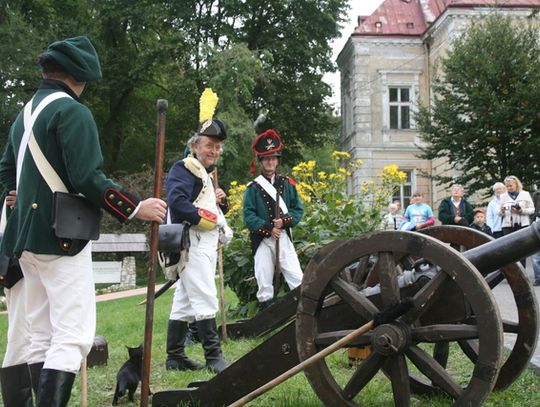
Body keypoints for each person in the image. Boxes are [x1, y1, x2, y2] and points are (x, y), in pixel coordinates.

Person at [0, 36, 167, 407]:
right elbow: (88, 178)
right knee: (73, 337)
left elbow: (6, 170)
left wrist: (14, 195)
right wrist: (138, 207)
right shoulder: (73, 113)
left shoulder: (24, 114)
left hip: (23, 240)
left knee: (41, 336)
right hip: (60, 237)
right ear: (81, 74)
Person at [164, 89, 230, 374]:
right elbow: (177, 203)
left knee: (183, 303)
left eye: (217, 147)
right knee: (205, 297)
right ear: (195, 146)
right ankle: (213, 357)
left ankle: (175, 357)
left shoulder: (202, 172)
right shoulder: (185, 167)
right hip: (192, 243)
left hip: (201, 243)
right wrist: (209, 221)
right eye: (208, 146)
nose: (213, 151)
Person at [243, 129, 303, 309]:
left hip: (283, 237)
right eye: (266, 158)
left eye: (273, 158)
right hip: (262, 239)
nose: (270, 162)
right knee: (263, 277)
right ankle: (266, 313)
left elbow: (298, 210)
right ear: (261, 161)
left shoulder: (287, 184)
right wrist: (269, 228)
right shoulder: (253, 188)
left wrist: (284, 221)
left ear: (277, 161)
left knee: (295, 276)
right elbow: (249, 215)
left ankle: (303, 309)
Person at [499, 175, 534, 267]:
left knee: (522, 248)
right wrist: (502, 211)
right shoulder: (503, 196)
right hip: (508, 225)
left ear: (516, 184)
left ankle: (523, 270)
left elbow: (532, 209)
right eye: (507, 186)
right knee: (510, 249)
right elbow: (499, 213)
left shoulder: (525, 194)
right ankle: (512, 270)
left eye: (510, 186)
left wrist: (521, 211)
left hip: (522, 224)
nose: (509, 188)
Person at [530, 191, 540, 286]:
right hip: (537, 222)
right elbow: (533, 210)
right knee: (536, 257)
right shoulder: (536, 195)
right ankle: (538, 278)